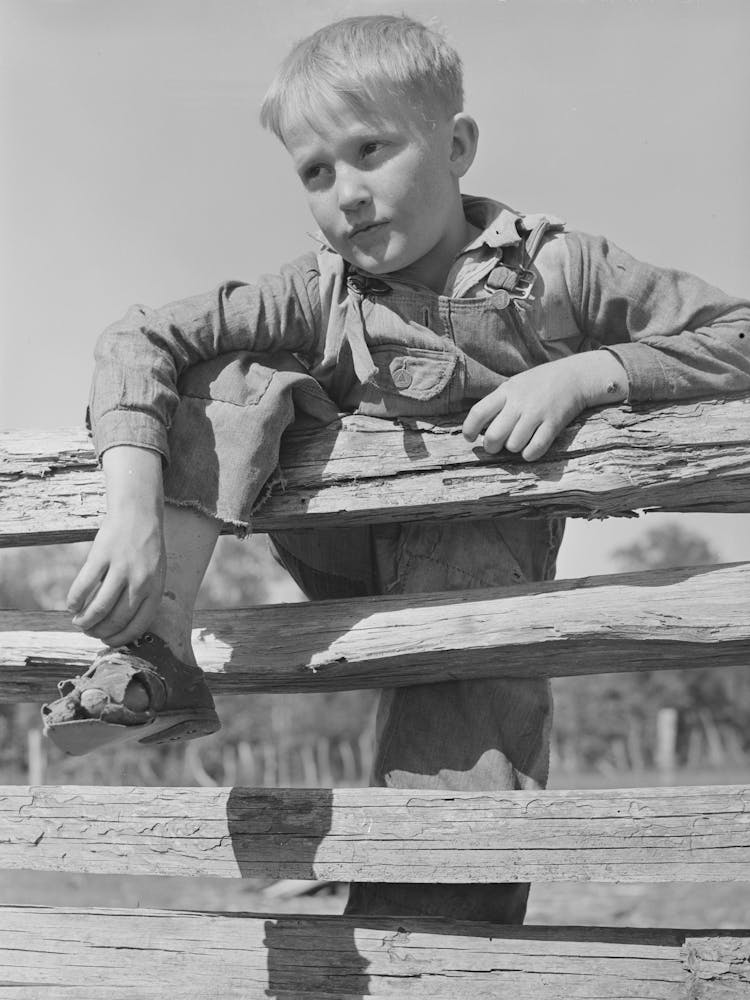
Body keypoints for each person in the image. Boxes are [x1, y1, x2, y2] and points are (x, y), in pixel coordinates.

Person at [41, 15, 750, 920]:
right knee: (231, 368)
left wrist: (587, 373)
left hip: (481, 579)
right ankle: (159, 641)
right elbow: (141, 334)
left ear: (456, 146)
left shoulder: (556, 272)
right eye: (316, 171)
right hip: (338, 546)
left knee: (451, 851)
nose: (347, 193)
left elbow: (737, 330)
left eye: (371, 150)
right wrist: (132, 500)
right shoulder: (321, 288)